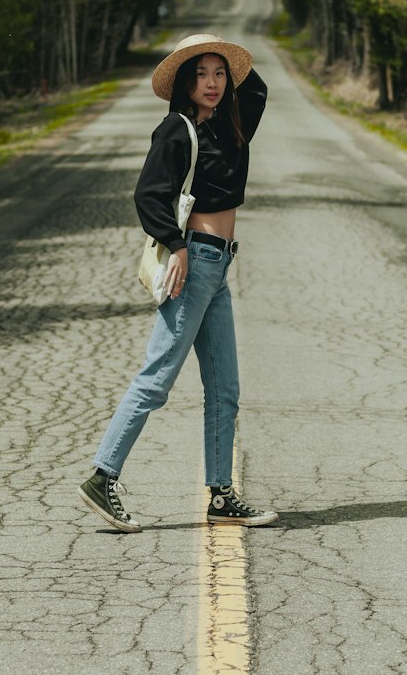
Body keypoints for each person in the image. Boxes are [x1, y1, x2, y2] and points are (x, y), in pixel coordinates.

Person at [79, 33, 279, 532]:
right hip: (195, 266)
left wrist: (223, 49)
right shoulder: (176, 130)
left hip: (220, 269)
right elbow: (148, 196)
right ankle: (102, 477)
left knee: (225, 389)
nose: (211, 83)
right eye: (199, 74)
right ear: (184, 83)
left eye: (219, 73)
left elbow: (256, 91)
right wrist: (181, 246)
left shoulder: (232, 127)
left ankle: (221, 495)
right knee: (157, 379)